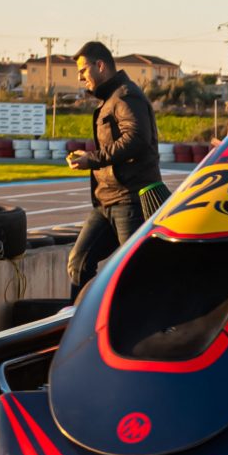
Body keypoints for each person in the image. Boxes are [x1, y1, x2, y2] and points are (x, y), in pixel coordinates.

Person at [65, 40, 162, 292]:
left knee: (133, 272)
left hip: (130, 200)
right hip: (105, 202)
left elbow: (137, 139)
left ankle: (138, 316)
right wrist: (89, 157)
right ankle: (80, 316)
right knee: (78, 262)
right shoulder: (110, 99)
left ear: (100, 66)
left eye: (83, 71)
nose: (80, 78)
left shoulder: (126, 96)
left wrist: (92, 159)